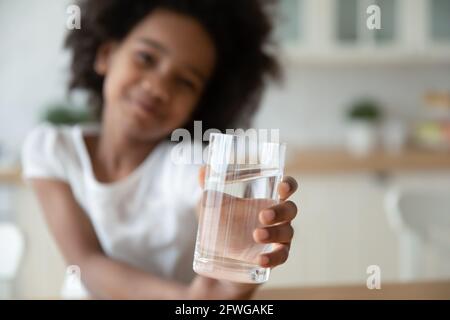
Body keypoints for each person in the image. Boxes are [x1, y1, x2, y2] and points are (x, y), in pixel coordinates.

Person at [22, 0, 298, 299]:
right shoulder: (51, 149)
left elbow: (209, 201)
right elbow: (86, 263)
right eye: (146, 58)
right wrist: (187, 300)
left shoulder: (188, 161)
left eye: (184, 81)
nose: (158, 87)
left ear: (201, 102)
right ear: (106, 55)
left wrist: (237, 264)